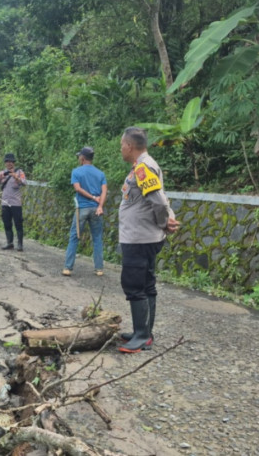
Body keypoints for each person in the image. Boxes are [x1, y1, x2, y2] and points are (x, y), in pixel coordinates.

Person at [116, 127, 180, 353]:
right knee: (146, 284)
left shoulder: (143, 168)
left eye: (122, 145)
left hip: (140, 238)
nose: (121, 149)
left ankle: (142, 336)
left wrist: (164, 221)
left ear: (130, 146)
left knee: (134, 285)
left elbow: (159, 202)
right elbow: (161, 197)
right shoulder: (144, 166)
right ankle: (143, 332)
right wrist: (168, 219)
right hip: (143, 236)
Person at [62, 147, 107, 277]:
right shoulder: (100, 174)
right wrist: (100, 205)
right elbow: (104, 191)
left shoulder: (76, 172)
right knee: (97, 238)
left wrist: (92, 197)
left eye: (79, 157)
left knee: (74, 237)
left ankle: (68, 268)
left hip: (81, 208)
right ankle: (99, 269)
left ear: (82, 158)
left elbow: (78, 188)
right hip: (96, 209)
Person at [0, 153, 27, 251]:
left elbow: (24, 182)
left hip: (16, 203)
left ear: (14, 163)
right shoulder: (2, 173)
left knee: (18, 224)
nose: (9, 164)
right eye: (7, 162)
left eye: (11, 162)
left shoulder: (19, 172)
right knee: (7, 223)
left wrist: (16, 177)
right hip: (5, 202)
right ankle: (9, 243)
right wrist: (0, 177)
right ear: (5, 163)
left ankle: (20, 244)